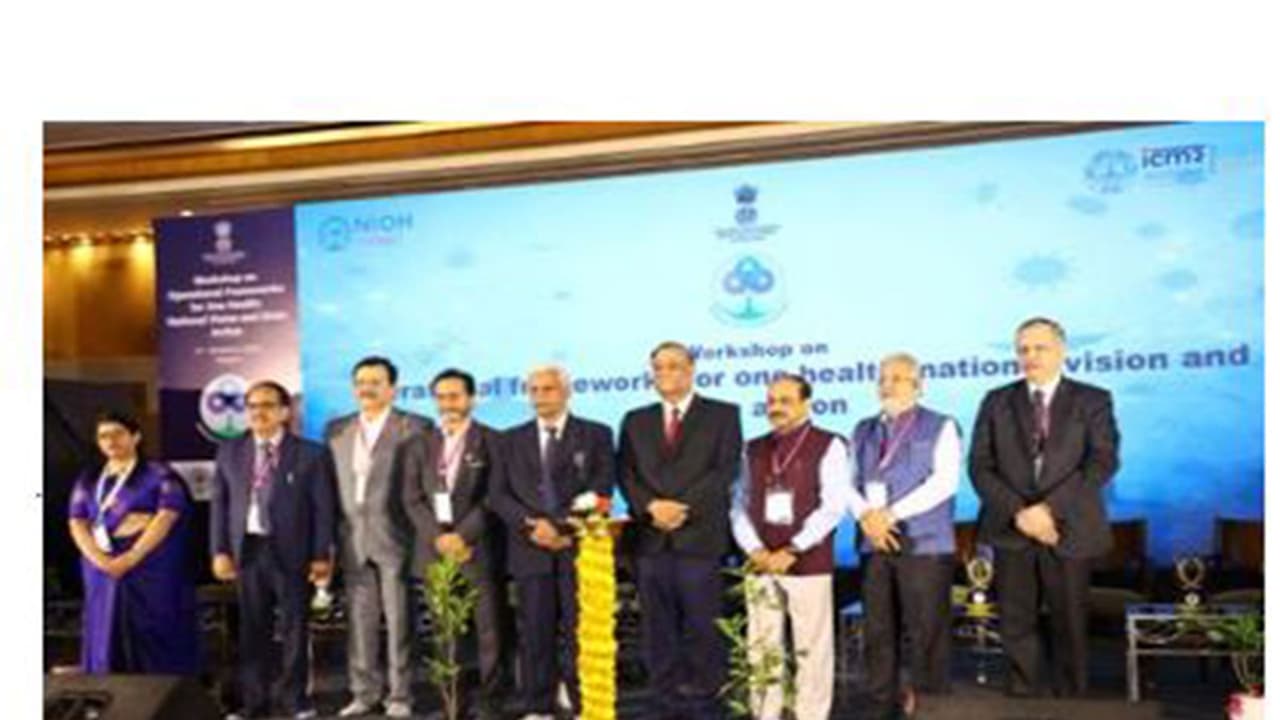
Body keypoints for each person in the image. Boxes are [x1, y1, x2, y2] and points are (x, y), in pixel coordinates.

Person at [969, 317, 1120, 697]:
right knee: (1015, 621)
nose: (1030, 356)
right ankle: (1024, 699)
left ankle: (1071, 701)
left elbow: (1102, 461)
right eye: (1023, 349)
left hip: (1069, 527)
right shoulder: (996, 400)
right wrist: (1021, 513)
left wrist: (1048, 510)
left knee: (1069, 621)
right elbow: (980, 466)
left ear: (1062, 351)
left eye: (1040, 348)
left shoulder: (1093, 400)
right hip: (1012, 528)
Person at [618, 341, 743, 720]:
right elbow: (626, 473)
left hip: (700, 538)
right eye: (658, 367)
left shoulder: (723, 414)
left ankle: (707, 702)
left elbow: (725, 470)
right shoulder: (635, 420)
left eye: (673, 365)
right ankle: (664, 702)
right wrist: (651, 507)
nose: (665, 373)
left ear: (691, 370)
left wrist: (680, 508)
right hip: (651, 540)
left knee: (704, 627)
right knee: (658, 629)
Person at [490, 365, 615, 720]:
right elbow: (497, 495)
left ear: (566, 392)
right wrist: (532, 526)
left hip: (579, 549)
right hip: (529, 548)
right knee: (535, 632)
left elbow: (602, 487)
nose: (540, 397)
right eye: (534, 390)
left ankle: (583, 704)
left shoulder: (596, 434)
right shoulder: (509, 440)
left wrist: (561, 528)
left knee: (580, 632)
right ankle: (538, 706)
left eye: (548, 389)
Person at [210, 380, 337, 720]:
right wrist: (219, 551)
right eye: (252, 406)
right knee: (252, 630)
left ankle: (295, 700)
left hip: (293, 553)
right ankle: (254, 703)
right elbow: (220, 505)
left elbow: (324, 509)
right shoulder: (230, 451)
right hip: (248, 551)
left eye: (267, 405)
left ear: (284, 412)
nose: (258, 412)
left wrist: (321, 554)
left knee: (295, 629)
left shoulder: (311, 453)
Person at [850, 353, 962, 719]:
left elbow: (944, 483)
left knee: (924, 630)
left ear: (918, 385)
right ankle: (881, 703)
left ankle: (927, 705)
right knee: (878, 630)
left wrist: (890, 515)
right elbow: (847, 483)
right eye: (882, 378)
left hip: (923, 544)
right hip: (875, 543)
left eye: (897, 378)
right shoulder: (863, 429)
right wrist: (866, 516)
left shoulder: (941, 426)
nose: (888, 385)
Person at [729, 374, 847, 720]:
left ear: (806, 403)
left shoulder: (829, 444)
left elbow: (833, 506)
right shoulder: (752, 448)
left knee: (812, 649)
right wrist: (754, 550)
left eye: (785, 400)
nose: (776, 407)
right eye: (771, 401)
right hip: (761, 562)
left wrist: (793, 549)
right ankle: (765, 713)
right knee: (761, 648)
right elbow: (738, 503)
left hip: (807, 562)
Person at [399, 368, 509, 720]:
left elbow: (495, 495)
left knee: (490, 632)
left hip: (478, 549)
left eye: (455, 396)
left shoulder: (494, 441)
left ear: (471, 399)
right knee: (444, 633)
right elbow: (411, 499)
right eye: (441, 397)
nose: (448, 403)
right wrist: (439, 537)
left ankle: (490, 704)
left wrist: (464, 535)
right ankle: (452, 704)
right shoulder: (419, 444)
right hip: (434, 551)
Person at [325, 357, 430, 718]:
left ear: (392, 389)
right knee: (359, 621)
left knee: (400, 621)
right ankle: (363, 693)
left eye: (374, 382)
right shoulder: (336, 430)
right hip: (352, 538)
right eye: (360, 382)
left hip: (397, 537)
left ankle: (400, 696)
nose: (366, 389)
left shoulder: (415, 427)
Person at [67, 410, 201, 675]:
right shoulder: (89, 478)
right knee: (105, 625)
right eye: (103, 436)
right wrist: (100, 559)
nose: (111, 441)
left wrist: (131, 557)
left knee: (151, 627)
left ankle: (160, 690)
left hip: (149, 566)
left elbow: (167, 516)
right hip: (101, 567)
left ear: (136, 437)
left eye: (118, 433)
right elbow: (77, 521)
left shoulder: (159, 475)